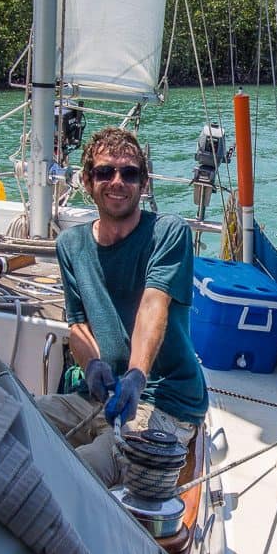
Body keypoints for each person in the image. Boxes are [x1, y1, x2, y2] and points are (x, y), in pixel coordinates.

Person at [37, 127, 208, 487]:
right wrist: (93, 364)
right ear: (86, 181)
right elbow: (78, 325)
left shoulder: (168, 232)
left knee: (76, 473)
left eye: (129, 173)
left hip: (163, 398)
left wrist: (136, 376)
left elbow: (153, 306)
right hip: (97, 397)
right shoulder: (70, 245)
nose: (118, 181)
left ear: (144, 184)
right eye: (104, 172)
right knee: (12, 417)